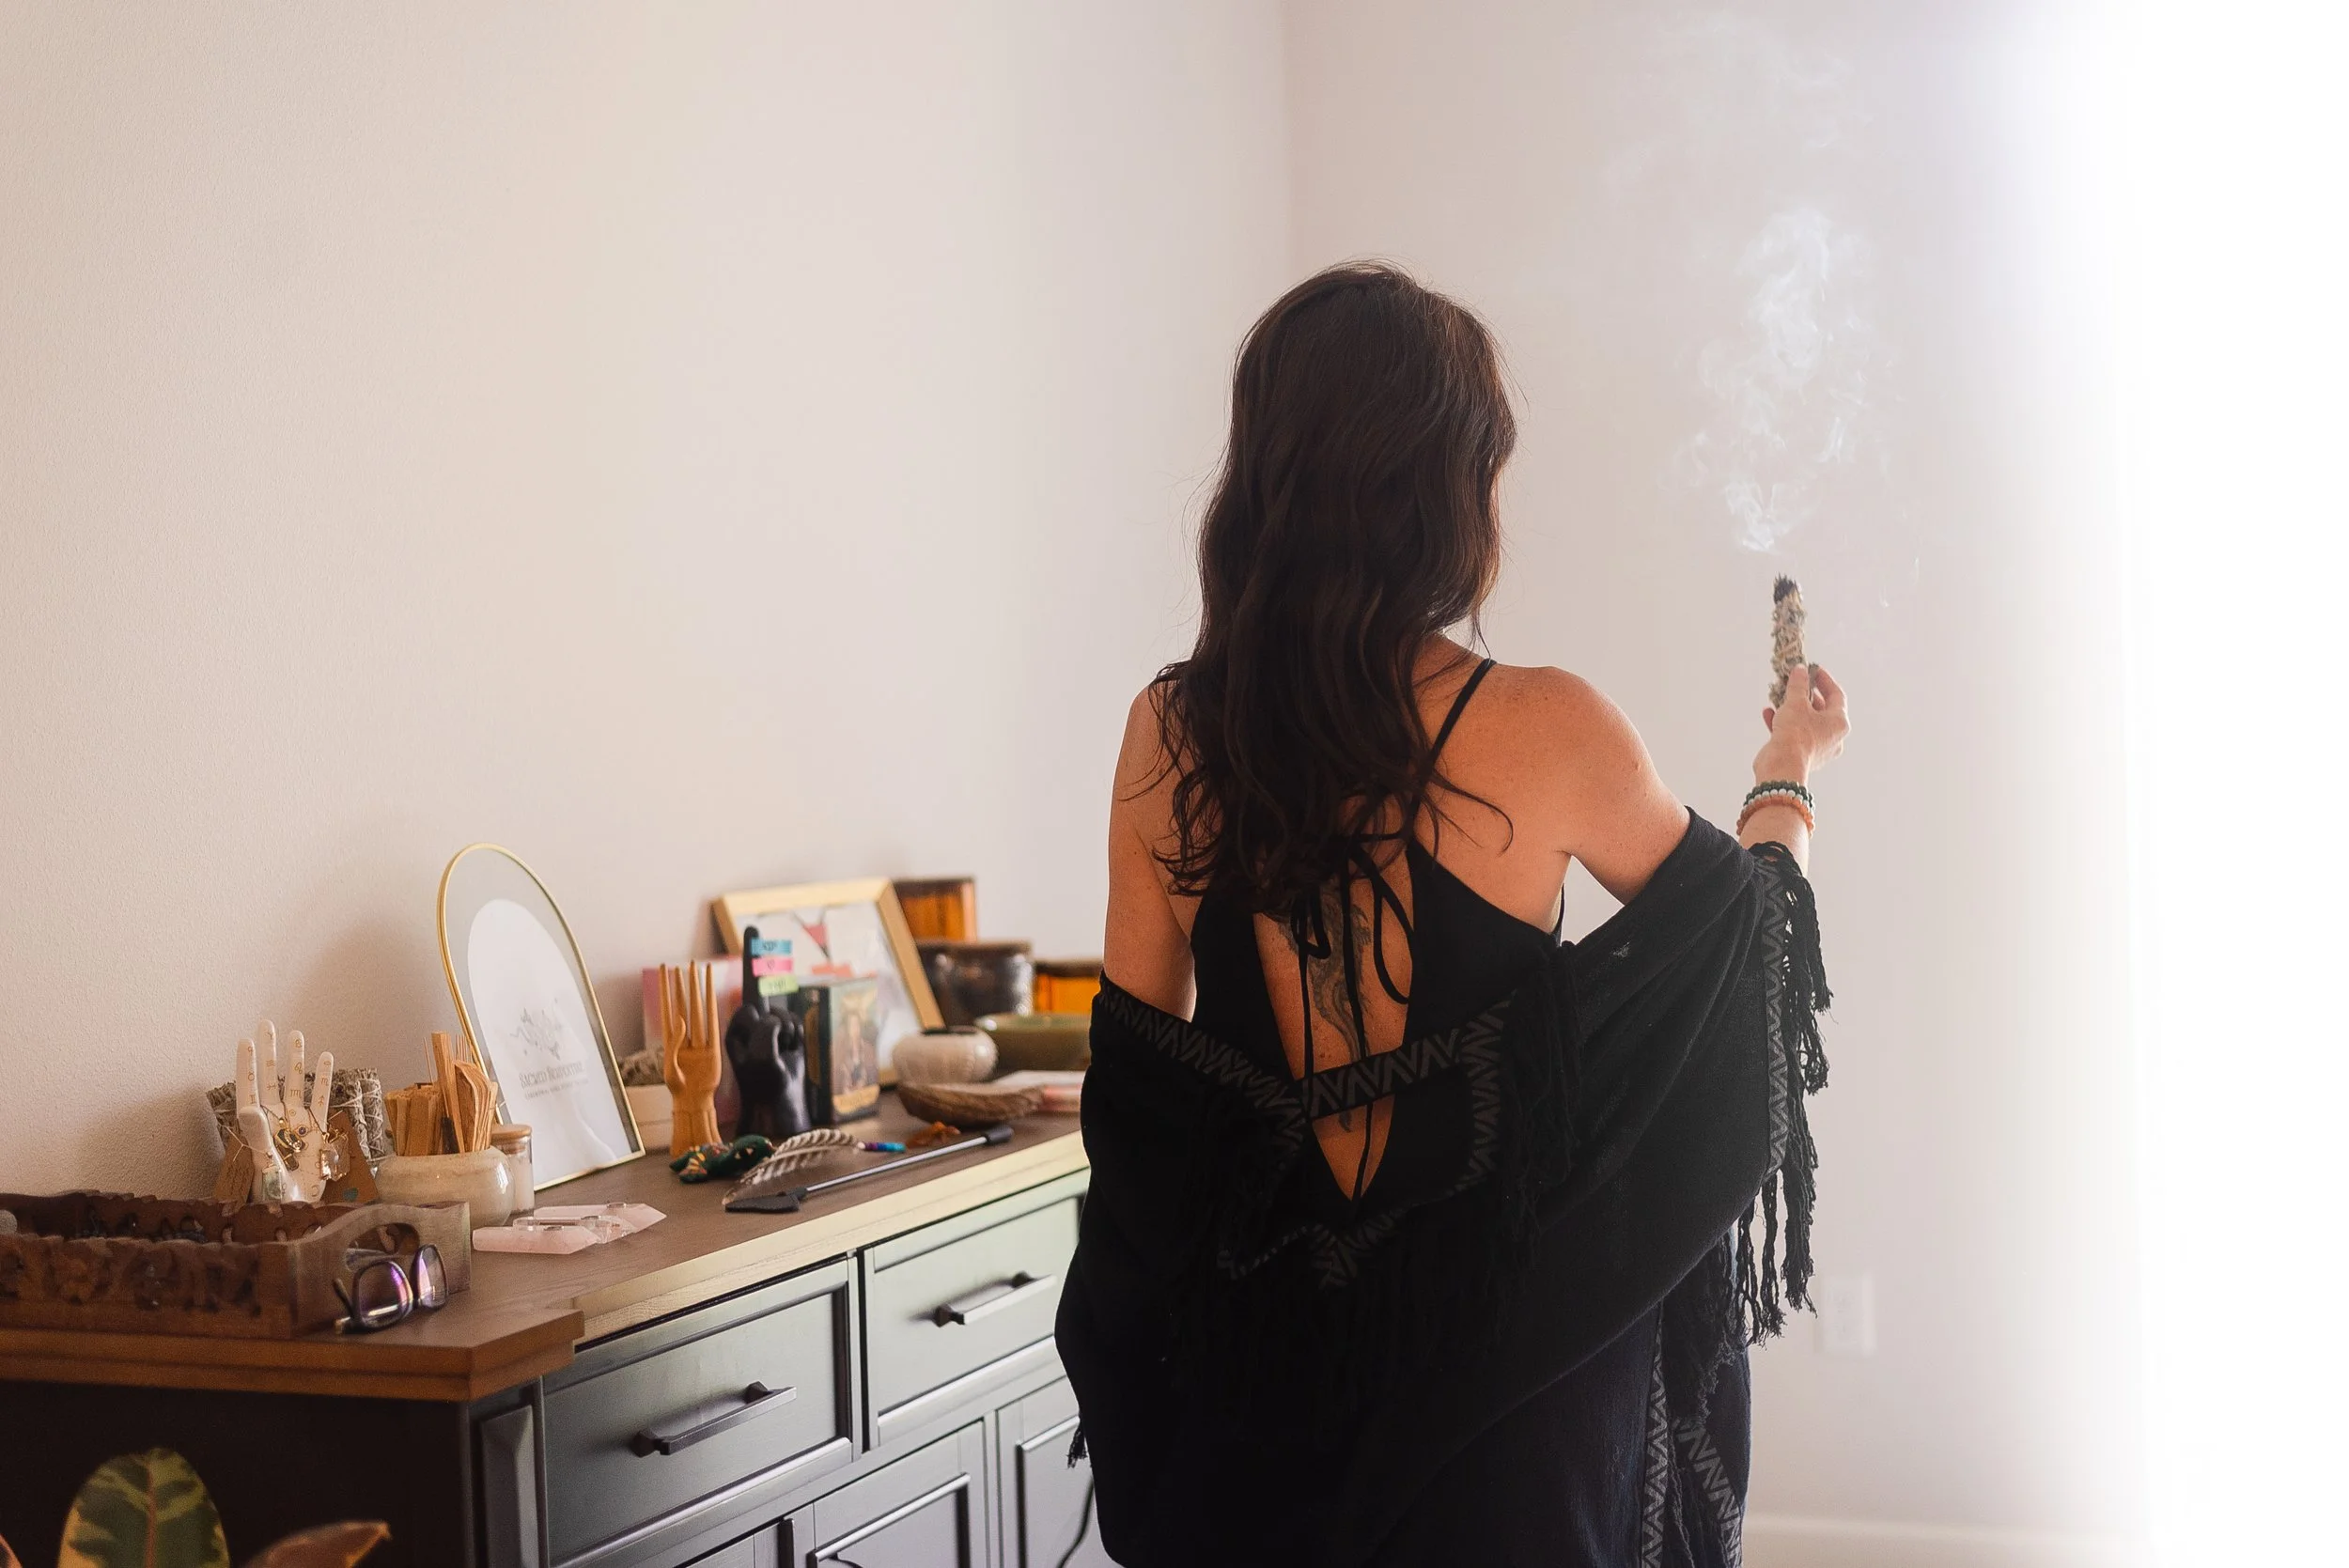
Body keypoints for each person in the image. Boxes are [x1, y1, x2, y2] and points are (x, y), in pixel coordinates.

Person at [1056, 262, 1851, 1568]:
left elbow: (1141, 1097)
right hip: (1513, 1416)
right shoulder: (1550, 725)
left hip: (1268, 1401)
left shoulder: (1168, 733)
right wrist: (1789, 770)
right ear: (1443, 490)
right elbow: (1750, 946)